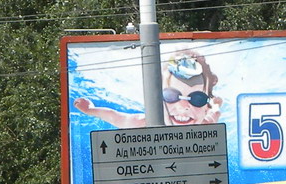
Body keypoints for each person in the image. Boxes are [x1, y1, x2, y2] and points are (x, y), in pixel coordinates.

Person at [74, 51, 222, 129]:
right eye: (171, 95)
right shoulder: (144, 122)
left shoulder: (205, 125)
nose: (183, 107)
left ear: (205, 106)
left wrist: (215, 105)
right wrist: (91, 110)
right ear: (156, 99)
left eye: (197, 99)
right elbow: (116, 116)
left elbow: (214, 113)